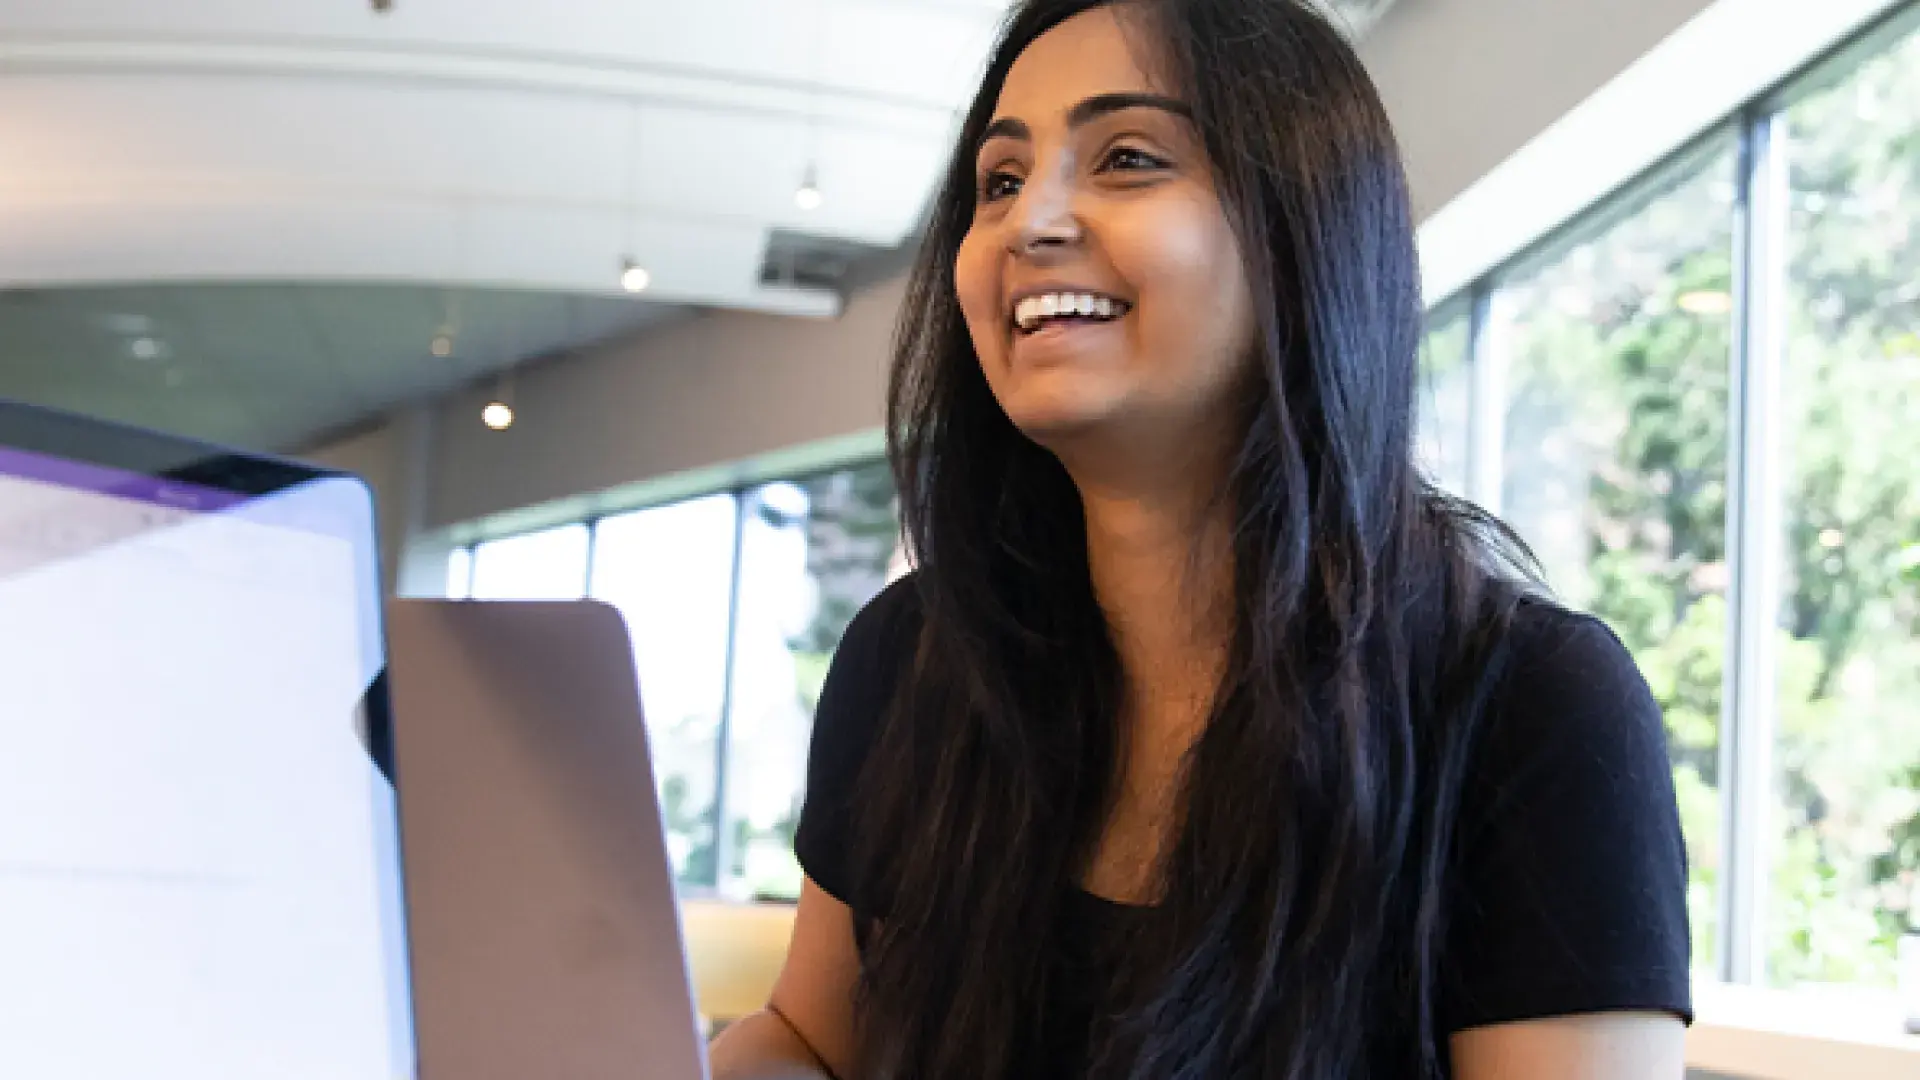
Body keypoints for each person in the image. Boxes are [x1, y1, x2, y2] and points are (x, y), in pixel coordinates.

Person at [708, 0, 1692, 1076]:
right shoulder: (915, 655)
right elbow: (807, 1038)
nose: (1028, 222)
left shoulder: (1532, 705)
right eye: (999, 180)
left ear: (1301, 228)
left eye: (1127, 157)